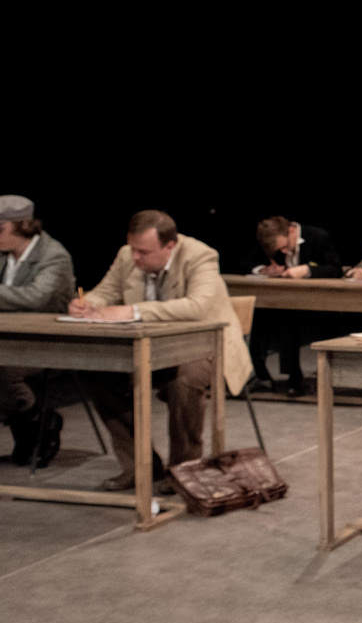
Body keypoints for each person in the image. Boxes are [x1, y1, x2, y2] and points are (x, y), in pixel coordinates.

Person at [69, 210, 253, 493]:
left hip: (204, 346)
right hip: (149, 349)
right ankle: (139, 466)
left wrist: (133, 311)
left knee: (184, 379)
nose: (135, 257)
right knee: (97, 372)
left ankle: (183, 470)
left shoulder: (200, 256)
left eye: (143, 252)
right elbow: (104, 292)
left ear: (170, 246)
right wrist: (87, 303)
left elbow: (197, 307)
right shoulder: (126, 256)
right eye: (133, 249)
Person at [1, 195, 76, 465]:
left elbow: (36, 297)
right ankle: (34, 422)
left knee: (2, 369)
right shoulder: (4, 256)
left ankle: (38, 422)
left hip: (49, 343)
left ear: (22, 225)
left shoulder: (53, 255)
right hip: (9, 341)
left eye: (0, 229)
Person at [242, 216, 343, 393]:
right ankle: (265, 376)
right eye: (279, 250)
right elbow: (244, 264)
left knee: (297, 322)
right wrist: (263, 270)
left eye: (285, 247)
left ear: (291, 231)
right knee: (260, 319)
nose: (283, 252)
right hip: (283, 304)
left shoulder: (318, 237)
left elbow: (335, 269)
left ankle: (300, 380)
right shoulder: (271, 239)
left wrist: (307, 270)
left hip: (317, 303)